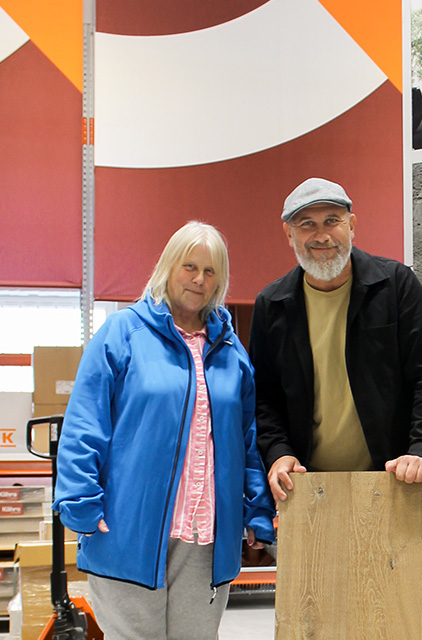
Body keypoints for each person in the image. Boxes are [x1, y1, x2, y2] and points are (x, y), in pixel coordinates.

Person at [53, 222, 276, 640]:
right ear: (168, 267)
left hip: (205, 538)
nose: (198, 279)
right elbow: (86, 423)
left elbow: (246, 440)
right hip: (129, 531)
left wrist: (257, 506)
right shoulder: (123, 334)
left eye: (210, 271)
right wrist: (79, 498)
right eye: (189, 266)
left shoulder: (230, 351)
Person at [249, 177, 422, 502]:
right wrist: (277, 452)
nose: (322, 235)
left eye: (332, 221)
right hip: (307, 491)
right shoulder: (271, 305)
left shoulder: (396, 286)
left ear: (352, 225)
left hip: (394, 482)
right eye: (307, 224)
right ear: (289, 234)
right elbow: (264, 399)